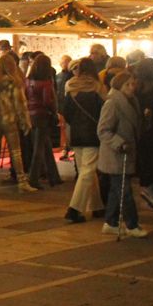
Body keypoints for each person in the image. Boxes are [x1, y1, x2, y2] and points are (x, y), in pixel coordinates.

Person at [97, 70, 146, 238]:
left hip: (126, 152)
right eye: (127, 84)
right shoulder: (112, 103)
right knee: (124, 190)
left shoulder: (132, 102)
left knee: (117, 190)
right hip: (116, 153)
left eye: (133, 84)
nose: (132, 87)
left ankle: (110, 222)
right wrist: (119, 142)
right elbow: (103, 130)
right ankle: (132, 224)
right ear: (119, 86)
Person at [61, 58, 105, 223]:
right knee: (87, 171)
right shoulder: (98, 87)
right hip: (93, 134)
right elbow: (104, 112)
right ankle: (74, 209)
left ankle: (97, 206)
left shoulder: (70, 86)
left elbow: (66, 112)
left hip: (77, 134)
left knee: (85, 171)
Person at [0, 52, 35, 193]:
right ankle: (22, 181)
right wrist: (25, 121)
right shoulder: (14, 82)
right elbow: (20, 104)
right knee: (15, 151)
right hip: (10, 119)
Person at [25, 53, 62, 188]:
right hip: (42, 115)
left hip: (31, 114)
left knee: (45, 146)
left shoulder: (28, 80)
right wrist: (54, 112)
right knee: (39, 148)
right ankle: (33, 178)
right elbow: (48, 101)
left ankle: (54, 176)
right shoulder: (46, 83)